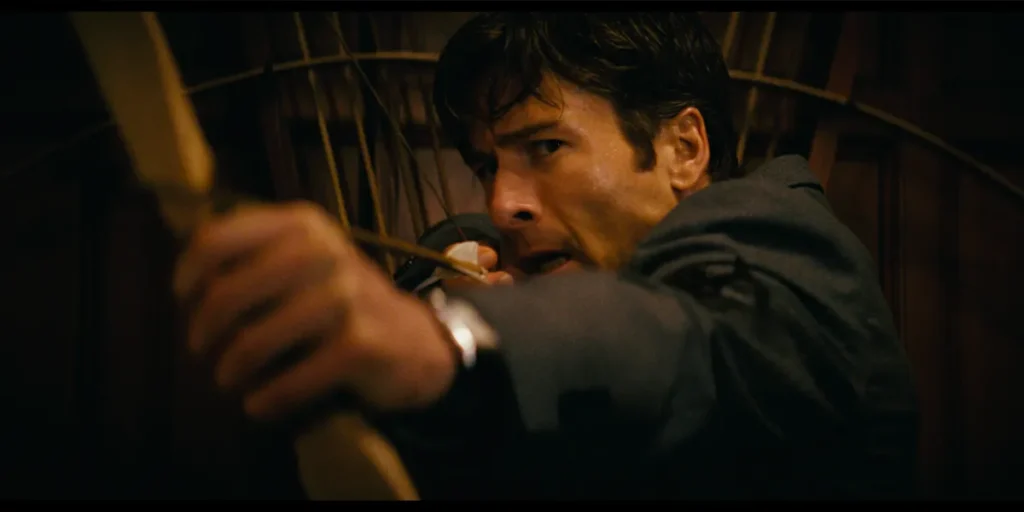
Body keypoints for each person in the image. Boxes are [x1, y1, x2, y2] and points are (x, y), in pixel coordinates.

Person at [173, 13, 918, 499]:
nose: (505, 203)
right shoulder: (509, 255)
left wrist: (451, 340)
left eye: (546, 147)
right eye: (487, 164)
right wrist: (430, 292)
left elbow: (686, 343)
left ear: (684, 149)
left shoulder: (780, 235)